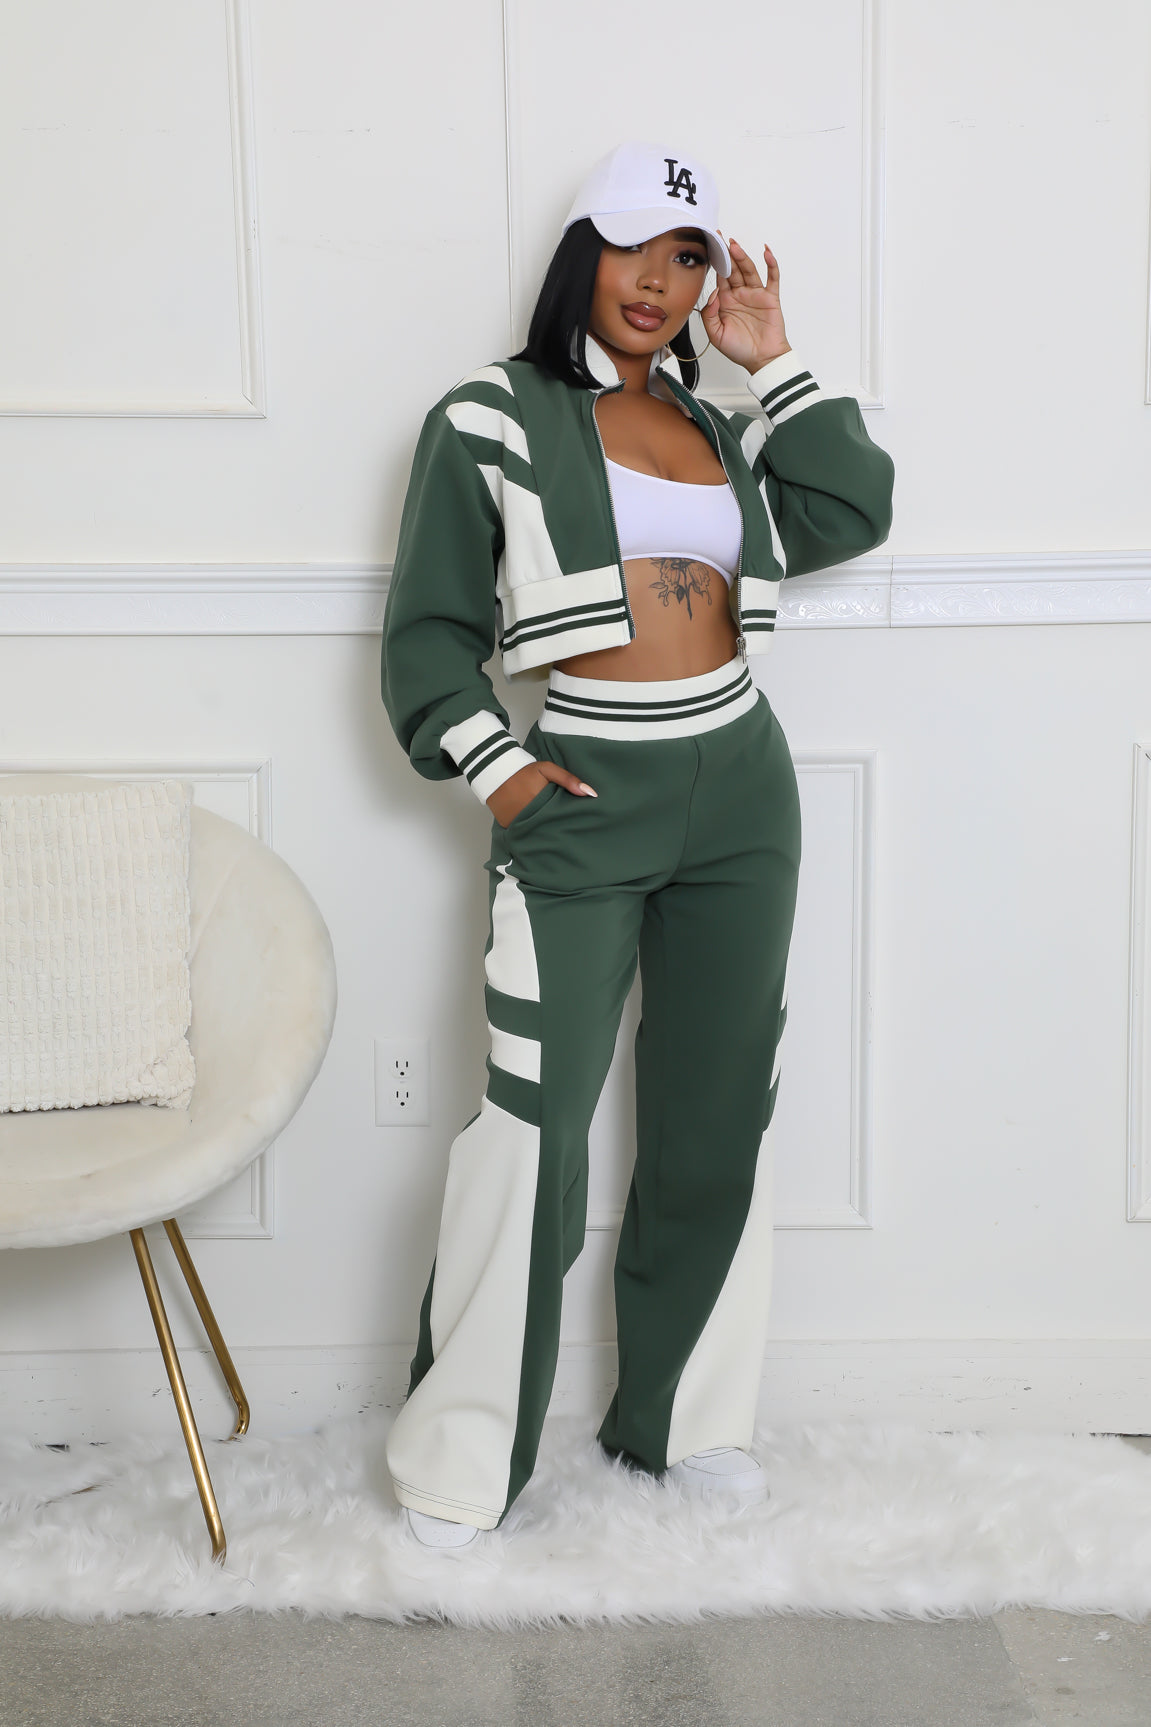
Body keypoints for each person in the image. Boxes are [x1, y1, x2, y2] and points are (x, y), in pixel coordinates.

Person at [380, 141, 895, 1547]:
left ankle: (687, 1421)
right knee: (532, 1120)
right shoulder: (489, 416)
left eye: (687, 256)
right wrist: (502, 778)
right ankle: (462, 1454)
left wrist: (773, 364)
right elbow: (428, 634)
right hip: (583, 789)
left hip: (740, 787)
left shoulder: (719, 427)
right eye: (632, 247)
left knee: (719, 1108)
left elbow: (852, 507)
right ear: (580, 257)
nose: (659, 281)